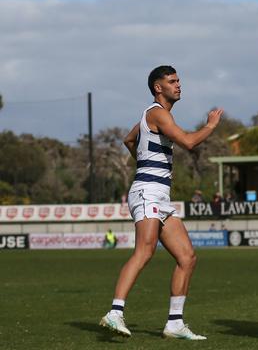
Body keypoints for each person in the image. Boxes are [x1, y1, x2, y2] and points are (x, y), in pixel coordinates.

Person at [99, 65, 223, 340]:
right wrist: (211, 126)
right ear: (158, 88)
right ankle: (115, 312)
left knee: (187, 257)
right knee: (144, 251)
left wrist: (144, 160)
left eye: (179, 80)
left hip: (159, 195)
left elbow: (129, 139)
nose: (179, 85)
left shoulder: (152, 116)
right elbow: (189, 142)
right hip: (147, 192)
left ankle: (175, 323)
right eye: (172, 81)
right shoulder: (157, 113)